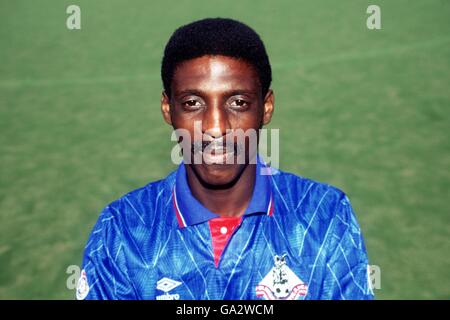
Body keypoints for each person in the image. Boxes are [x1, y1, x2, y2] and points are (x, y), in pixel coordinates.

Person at [78, 17, 374, 300]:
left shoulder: (323, 217)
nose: (216, 127)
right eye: (192, 103)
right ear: (168, 109)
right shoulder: (124, 229)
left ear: (266, 107)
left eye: (238, 102)